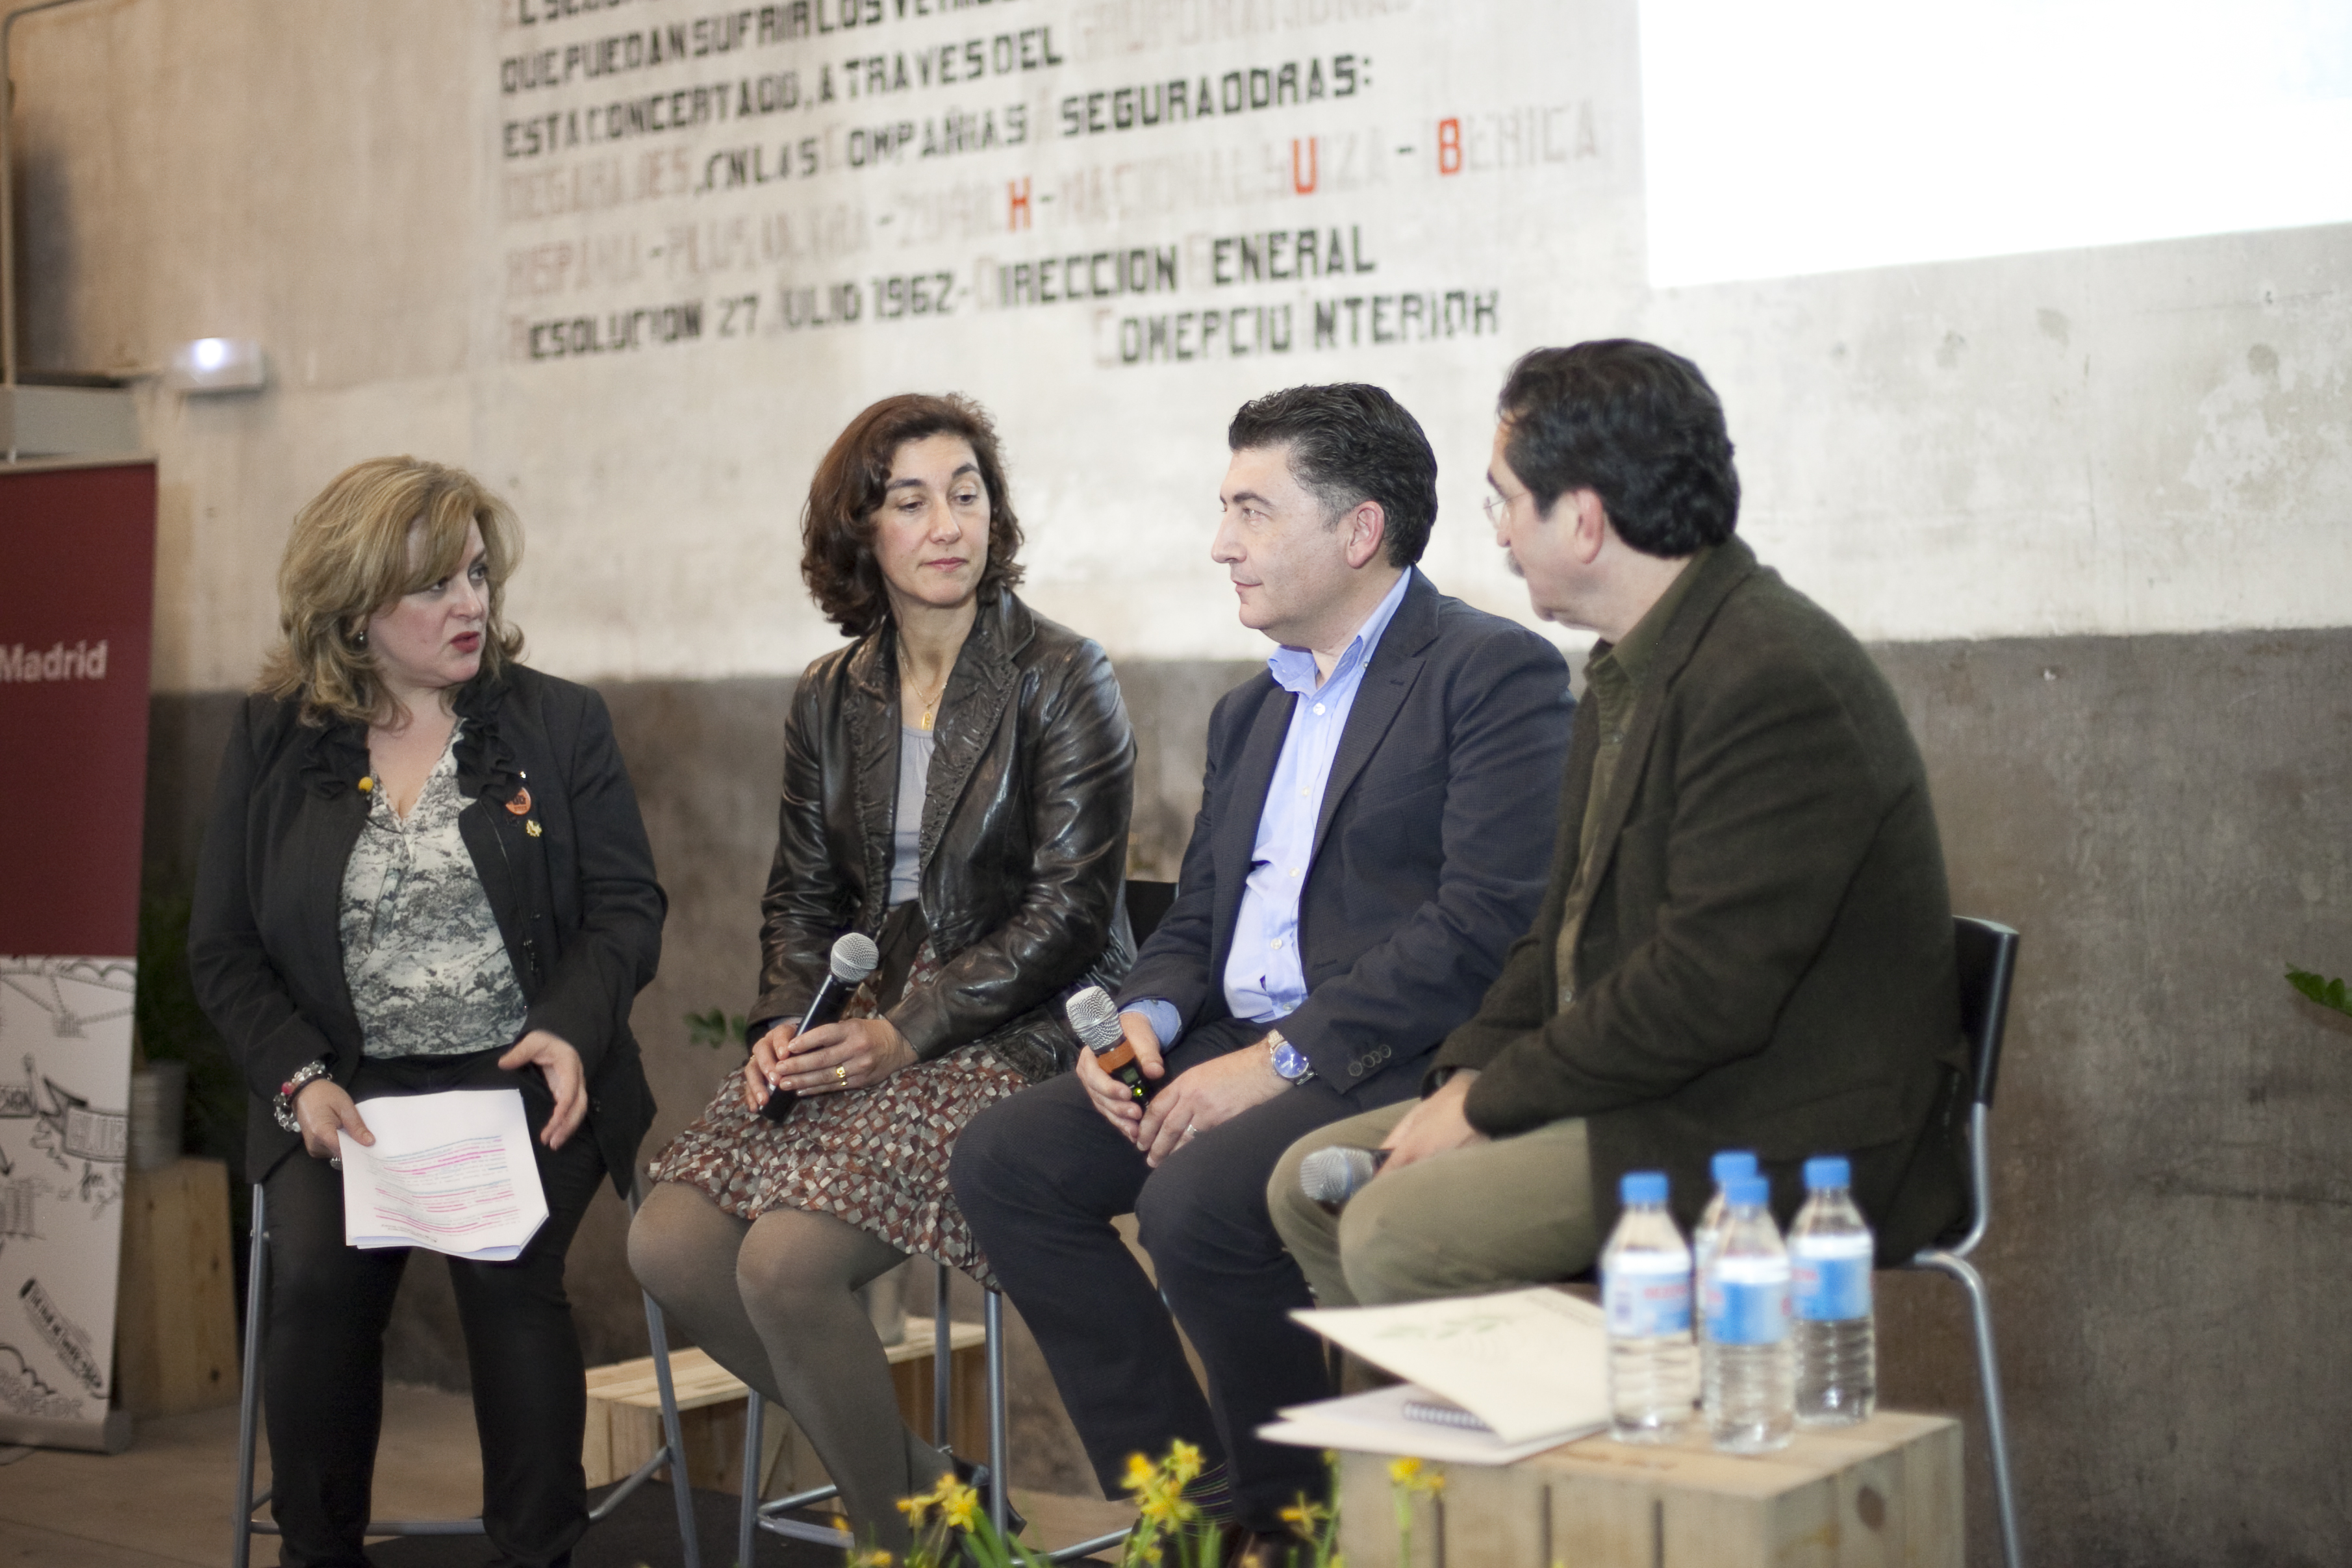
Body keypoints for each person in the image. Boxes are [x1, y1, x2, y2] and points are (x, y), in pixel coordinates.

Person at [950, 383, 1574, 1545]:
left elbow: (1482, 924)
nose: (1220, 544)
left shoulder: (1491, 671)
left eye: (1252, 510)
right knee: (1006, 1159)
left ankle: (1290, 1527)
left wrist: (1279, 1061)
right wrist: (1144, 1020)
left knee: (1195, 1203)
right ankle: (1185, 1500)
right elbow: (1199, 916)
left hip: (1395, 1052)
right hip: (1234, 1040)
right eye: (1223, 509)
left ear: (1358, 530)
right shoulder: (1251, 711)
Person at [1269, 339, 1971, 1310]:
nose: (1501, 535)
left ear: (1586, 519)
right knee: (1307, 1187)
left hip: (1777, 1127)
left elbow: (1705, 989)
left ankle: (1552, 1415)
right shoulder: (1626, 666)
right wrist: (1466, 1074)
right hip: (1651, 1093)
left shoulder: (1772, 677)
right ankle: (1453, 1413)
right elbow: (1555, 932)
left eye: (1507, 501)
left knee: (1396, 1228)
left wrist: (1492, 1100)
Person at [627, 393, 1134, 1555]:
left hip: (1012, 1027)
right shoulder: (831, 691)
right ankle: (933, 1496)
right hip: (860, 1017)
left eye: (966, 492)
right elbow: (802, 895)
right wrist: (781, 1019)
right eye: (910, 501)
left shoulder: (1063, 673)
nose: (947, 523)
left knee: (786, 1266)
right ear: (860, 529)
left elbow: (1070, 912)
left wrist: (907, 1031)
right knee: (668, 1244)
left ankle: (904, 1537)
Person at [189, 457, 666, 1568]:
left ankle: (537, 1549)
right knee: (315, 1277)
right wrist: (300, 1079)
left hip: (519, 1070)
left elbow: (626, 907)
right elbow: (224, 949)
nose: (470, 605)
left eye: (478, 575)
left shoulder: (557, 722)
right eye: (434, 586)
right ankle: (319, 1550)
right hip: (340, 1084)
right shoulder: (274, 738)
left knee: (508, 1269)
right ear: (353, 606)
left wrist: (570, 1024)